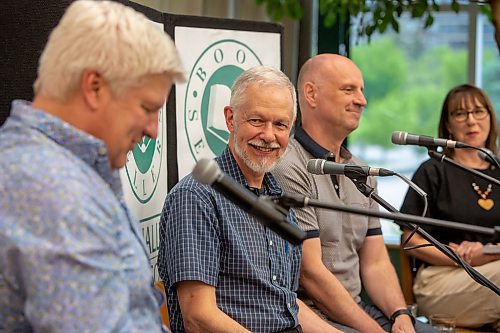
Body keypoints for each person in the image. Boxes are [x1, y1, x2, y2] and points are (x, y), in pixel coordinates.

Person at [0, 1, 184, 332]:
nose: (153, 130)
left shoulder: (67, 170)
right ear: (94, 86)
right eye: (146, 107)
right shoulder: (55, 190)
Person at [158, 66, 341, 333]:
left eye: (280, 125)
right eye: (256, 121)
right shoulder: (197, 197)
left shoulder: (277, 196)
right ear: (231, 119)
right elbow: (198, 317)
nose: (268, 136)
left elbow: (286, 304)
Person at [273, 53, 437, 333]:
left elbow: (375, 262)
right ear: (311, 95)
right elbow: (310, 273)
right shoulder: (287, 165)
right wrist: (374, 331)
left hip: (357, 309)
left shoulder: (361, 172)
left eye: (361, 91)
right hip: (311, 316)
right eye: (348, 90)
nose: (361, 100)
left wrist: (400, 315)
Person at [400, 84, 500, 331]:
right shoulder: (433, 170)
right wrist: (463, 259)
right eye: (460, 114)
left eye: (479, 111)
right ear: (448, 124)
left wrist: (488, 253)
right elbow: (409, 239)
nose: (471, 121)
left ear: (490, 117)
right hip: (441, 277)